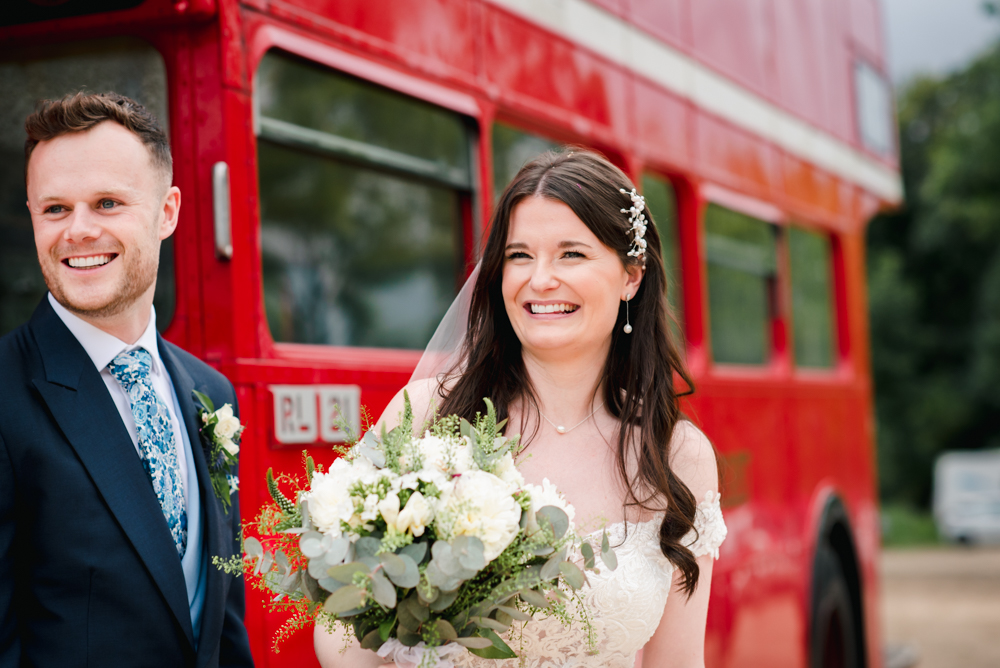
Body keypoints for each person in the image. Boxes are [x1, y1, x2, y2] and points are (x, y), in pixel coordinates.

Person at [315, 150, 725, 668]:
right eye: (519, 255)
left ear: (631, 277)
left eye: (571, 254)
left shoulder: (676, 456)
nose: (541, 279)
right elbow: (339, 630)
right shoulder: (423, 418)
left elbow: (679, 662)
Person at [0, 92, 254, 667]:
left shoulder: (211, 392)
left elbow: (222, 615)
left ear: (168, 212)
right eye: (55, 209)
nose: (79, 231)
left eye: (107, 203)